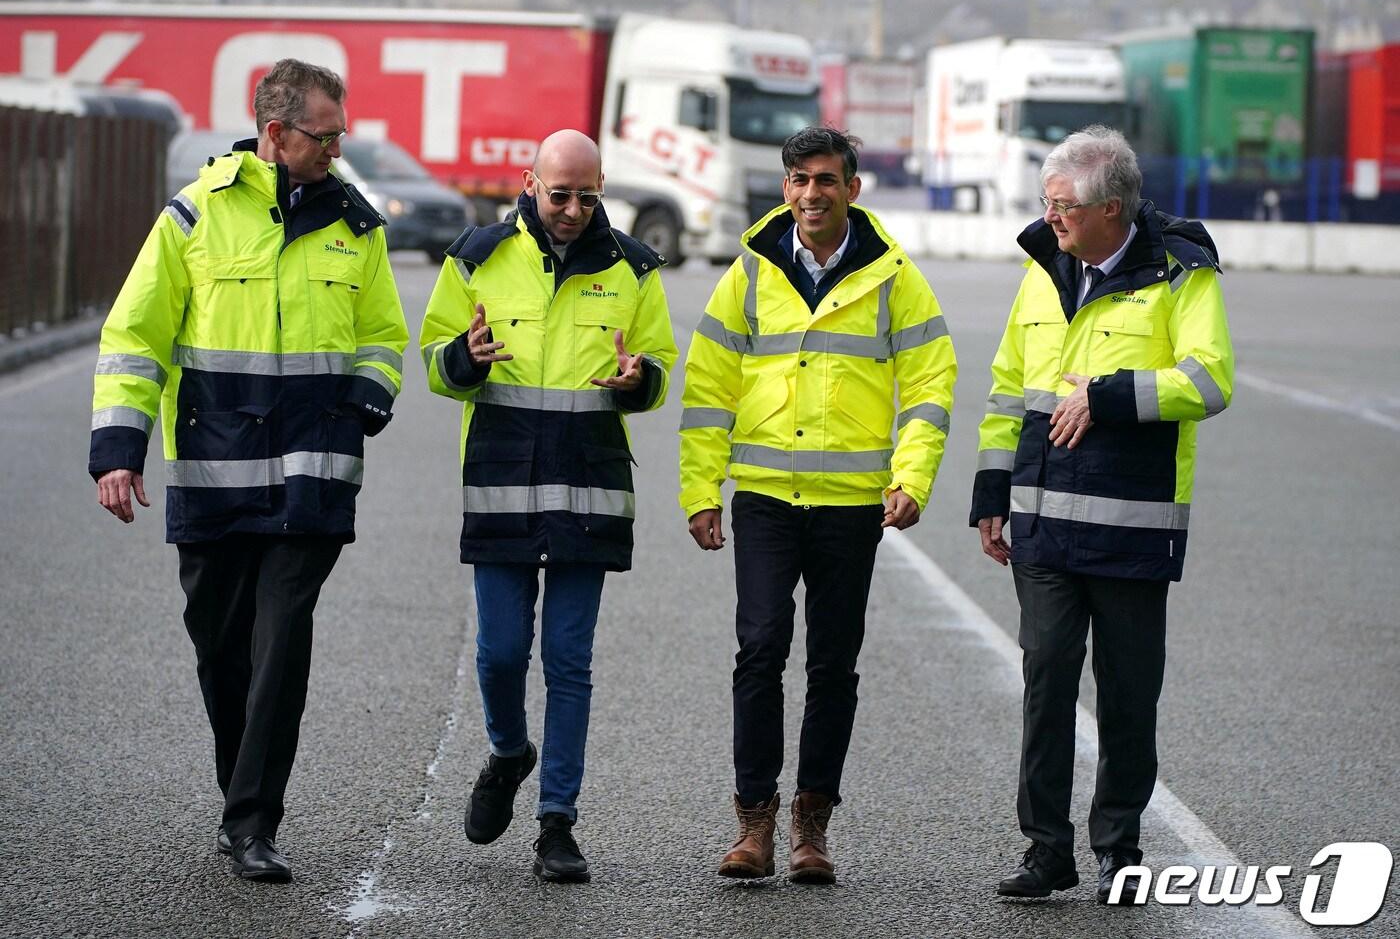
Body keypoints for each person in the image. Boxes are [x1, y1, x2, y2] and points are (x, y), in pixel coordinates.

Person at [88, 59, 408, 882]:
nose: (337, 147)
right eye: (324, 134)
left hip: (313, 476)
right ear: (275, 133)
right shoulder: (194, 217)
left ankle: (253, 821)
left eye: (342, 133)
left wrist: (365, 398)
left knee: (280, 647)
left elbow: (383, 333)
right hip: (215, 474)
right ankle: (242, 787)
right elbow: (136, 335)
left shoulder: (356, 226)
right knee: (220, 647)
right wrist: (117, 450)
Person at [678, 126, 957, 883]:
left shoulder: (895, 278)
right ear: (785, 187)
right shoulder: (748, 273)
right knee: (760, 650)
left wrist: (913, 476)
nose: (811, 193)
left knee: (834, 664)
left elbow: (931, 382)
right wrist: (701, 489)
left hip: (850, 506)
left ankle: (812, 825)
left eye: (826, 180)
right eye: (799, 179)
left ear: (852, 190)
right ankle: (753, 822)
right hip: (766, 496)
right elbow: (708, 388)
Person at [970, 125, 1234, 904]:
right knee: (1046, 679)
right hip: (1044, 521)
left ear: (1111, 208)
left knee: (1126, 694)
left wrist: (1109, 394)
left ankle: (1120, 849)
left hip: (1131, 523)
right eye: (1046, 202)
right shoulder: (1043, 268)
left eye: (1063, 206)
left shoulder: (1184, 275)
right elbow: (1010, 387)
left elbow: (1210, 379)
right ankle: (1046, 848)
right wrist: (992, 493)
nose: (1049, 217)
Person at [420, 129, 677, 883]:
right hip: (501, 479)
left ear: (603, 188)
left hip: (589, 487)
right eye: (558, 193)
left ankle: (557, 823)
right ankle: (508, 751)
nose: (571, 209)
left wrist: (639, 380)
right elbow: (436, 361)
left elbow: (656, 366)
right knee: (500, 651)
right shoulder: (477, 258)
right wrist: (463, 359)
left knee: (569, 659)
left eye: (587, 195)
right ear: (529, 182)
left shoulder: (632, 268)